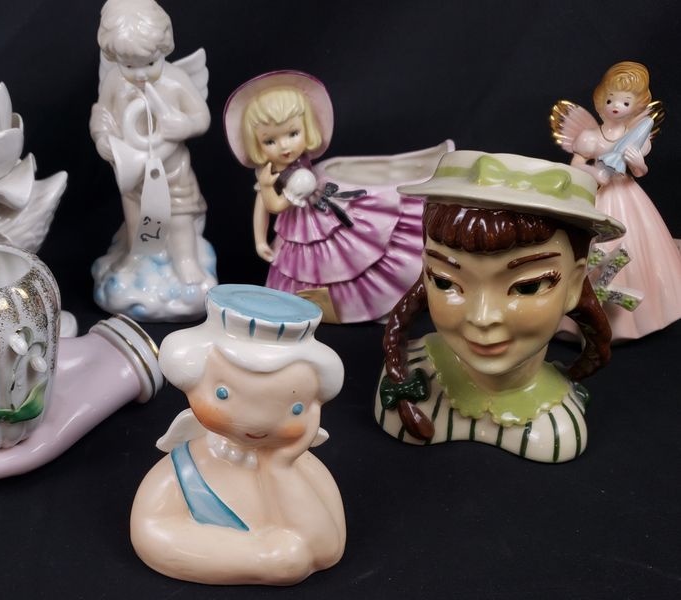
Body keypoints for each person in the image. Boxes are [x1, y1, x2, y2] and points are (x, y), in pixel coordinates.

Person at [376, 151, 623, 463]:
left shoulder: (558, 426)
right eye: (444, 281)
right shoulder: (405, 381)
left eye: (527, 287)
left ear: (574, 284)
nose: (482, 317)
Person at [130, 284, 346, 585]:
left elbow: (327, 550)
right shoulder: (183, 472)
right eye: (223, 394)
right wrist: (258, 558)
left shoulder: (304, 469)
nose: (257, 422)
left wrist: (280, 469)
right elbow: (151, 532)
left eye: (295, 408)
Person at [224, 70, 449, 323]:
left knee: (350, 254)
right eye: (270, 141)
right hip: (299, 225)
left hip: (322, 210)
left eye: (293, 134)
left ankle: (372, 303)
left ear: (307, 128)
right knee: (310, 266)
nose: (284, 146)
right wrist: (260, 236)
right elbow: (270, 206)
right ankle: (322, 308)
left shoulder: (300, 163)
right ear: (256, 143)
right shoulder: (270, 174)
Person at [90, 0, 215, 320]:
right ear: (114, 59)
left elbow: (201, 117)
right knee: (135, 214)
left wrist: (184, 125)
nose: (140, 74)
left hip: (172, 169)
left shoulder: (175, 80)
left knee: (180, 216)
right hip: (133, 171)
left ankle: (186, 260)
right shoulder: (115, 82)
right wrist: (103, 138)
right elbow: (102, 114)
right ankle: (138, 255)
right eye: (129, 66)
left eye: (149, 63)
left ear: (164, 49)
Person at [551, 61, 681, 340]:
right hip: (594, 197)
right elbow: (575, 165)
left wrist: (638, 163)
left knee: (636, 246)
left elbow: (640, 172)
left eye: (625, 102)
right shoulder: (590, 137)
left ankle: (639, 319)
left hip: (626, 197)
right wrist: (594, 173)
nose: (615, 106)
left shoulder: (636, 137)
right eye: (610, 99)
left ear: (635, 107)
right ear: (601, 100)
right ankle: (575, 321)